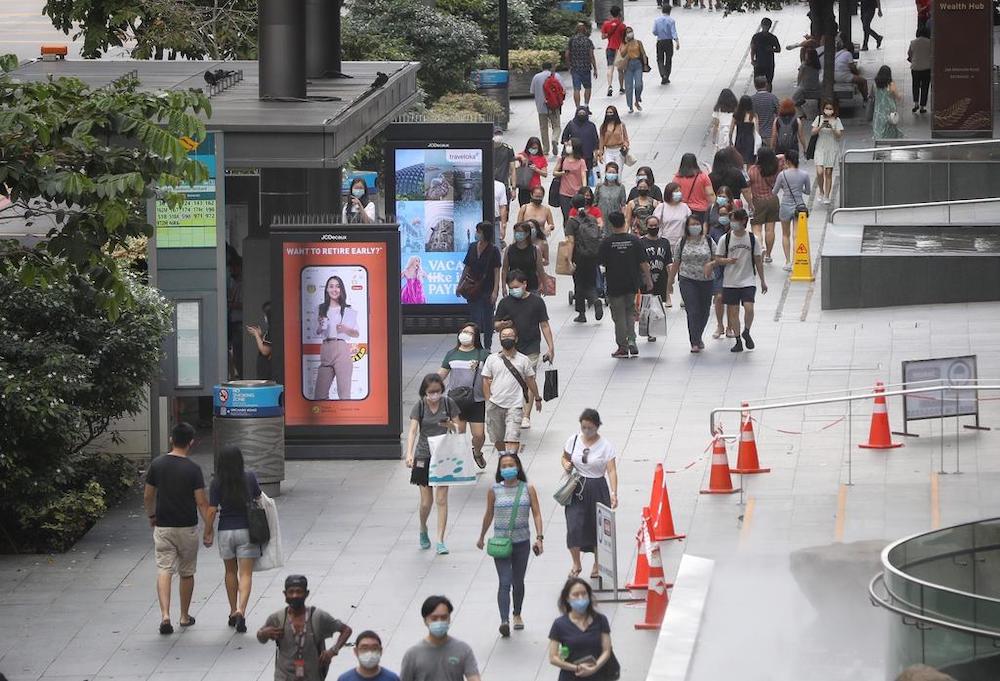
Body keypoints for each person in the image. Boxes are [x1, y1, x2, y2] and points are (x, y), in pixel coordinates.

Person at [143, 422, 210, 635]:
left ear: (171, 439)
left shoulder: (157, 464)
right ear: (191, 442)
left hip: (163, 526)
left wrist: (151, 515)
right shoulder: (193, 469)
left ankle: (165, 615)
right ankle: (183, 615)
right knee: (187, 572)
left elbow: (148, 495)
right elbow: (201, 502)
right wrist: (209, 529)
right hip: (187, 527)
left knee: (164, 569)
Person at [475, 453, 544, 637]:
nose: (507, 468)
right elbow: (488, 514)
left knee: (518, 581)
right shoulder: (494, 490)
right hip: (501, 544)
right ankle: (504, 620)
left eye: (510, 464)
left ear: (518, 466)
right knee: (504, 581)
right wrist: (482, 536)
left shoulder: (528, 489)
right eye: (503, 466)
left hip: (522, 542)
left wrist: (539, 537)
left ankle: (517, 613)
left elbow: (536, 513)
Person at [203, 444, 261, 634]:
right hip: (246, 530)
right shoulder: (250, 477)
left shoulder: (217, 482)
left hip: (226, 531)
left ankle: (231, 610)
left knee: (230, 572)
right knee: (246, 574)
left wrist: (208, 531)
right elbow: (258, 497)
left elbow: (211, 510)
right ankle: (241, 610)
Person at [258, 575, 353, 681]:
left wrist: (332, 651)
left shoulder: (318, 617)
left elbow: (346, 630)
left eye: (299, 591)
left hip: (311, 675)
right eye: (291, 592)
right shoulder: (277, 618)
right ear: (285, 594)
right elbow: (261, 638)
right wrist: (263, 634)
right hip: (284, 676)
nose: (295, 595)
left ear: (306, 594)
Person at [405, 374, 459, 554]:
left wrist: (450, 425)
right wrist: (409, 454)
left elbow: (459, 428)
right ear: (425, 392)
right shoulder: (420, 406)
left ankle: (440, 540)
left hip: (444, 455)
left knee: (442, 499)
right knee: (426, 502)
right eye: (431, 392)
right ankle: (423, 527)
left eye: (437, 391)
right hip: (424, 454)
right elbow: (413, 430)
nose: (434, 395)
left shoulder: (448, 404)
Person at [561, 409, 619, 577]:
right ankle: (576, 563)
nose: (587, 431)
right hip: (577, 486)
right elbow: (565, 457)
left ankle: (597, 563)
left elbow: (612, 470)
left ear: (597, 426)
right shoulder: (573, 440)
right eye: (584, 427)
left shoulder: (606, 446)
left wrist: (614, 492)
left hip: (597, 487)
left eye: (590, 427)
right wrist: (565, 464)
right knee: (573, 525)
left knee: (597, 527)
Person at [493, 270, 553, 428]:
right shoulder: (505, 303)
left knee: (528, 378)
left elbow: (544, 324)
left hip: (531, 345)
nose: (514, 290)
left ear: (525, 284)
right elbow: (496, 324)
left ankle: (526, 415)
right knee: (513, 380)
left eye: (516, 286)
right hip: (511, 347)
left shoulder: (536, 302)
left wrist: (551, 347)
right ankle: (513, 409)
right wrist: (503, 325)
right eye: (510, 287)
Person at [710, 208, 767, 353]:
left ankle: (746, 331)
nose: (732, 223)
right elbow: (717, 259)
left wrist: (762, 280)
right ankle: (737, 340)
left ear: (743, 221)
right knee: (733, 311)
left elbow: (758, 260)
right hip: (730, 281)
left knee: (749, 308)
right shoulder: (726, 239)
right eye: (731, 220)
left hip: (748, 279)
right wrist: (727, 260)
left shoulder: (752, 239)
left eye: (735, 220)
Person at [482, 324, 541, 455]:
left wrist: (537, 398)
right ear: (500, 339)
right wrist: (488, 400)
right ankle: (503, 456)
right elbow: (485, 380)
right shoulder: (492, 359)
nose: (507, 338)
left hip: (515, 405)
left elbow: (530, 380)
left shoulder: (523, 360)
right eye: (504, 336)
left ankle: (511, 459)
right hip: (495, 404)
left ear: (516, 339)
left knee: (512, 436)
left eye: (510, 336)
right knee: (497, 437)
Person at [599, 211, 652, 357]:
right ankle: (632, 341)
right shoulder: (635, 240)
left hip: (615, 283)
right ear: (624, 221)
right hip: (632, 282)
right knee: (630, 311)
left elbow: (602, 263)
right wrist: (648, 280)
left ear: (611, 224)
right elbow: (643, 262)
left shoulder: (607, 242)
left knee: (618, 316)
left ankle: (622, 346)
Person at [439, 322, 491, 469]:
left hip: (476, 400)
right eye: (463, 331)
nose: (465, 335)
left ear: (475, 337)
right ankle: (461, 465)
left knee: (479, 435)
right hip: (456, 401)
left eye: (469, 333)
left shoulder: (483, 354)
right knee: (458, 433)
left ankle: (478, 452)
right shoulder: (452, 354)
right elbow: (441, 374)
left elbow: (492, 372)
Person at [400, 596, 481, 681]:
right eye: (434, 618)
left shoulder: (463, 649)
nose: (439, 621)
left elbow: (473, 677)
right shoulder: (412, 655)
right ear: (425, 621)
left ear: (449, 619)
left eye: (444, 617)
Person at [547, 578, 613, 680]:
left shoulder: (600, 620)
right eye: (576, 595)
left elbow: (606, 650)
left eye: (584, 593)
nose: (580, 597)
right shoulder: (559, 624)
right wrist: (577, 668)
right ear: (567, 599)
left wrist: (594, 668)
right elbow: (553, 657)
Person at [670, 215, 716, 352]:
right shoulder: (682, 242)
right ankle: (694, 341)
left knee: (705, 310)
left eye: (697, 224)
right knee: (693, 310)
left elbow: (717, 258)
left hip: (706, 280)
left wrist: (711, 264)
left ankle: (698, 335)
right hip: (687, 279)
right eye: (692, 224)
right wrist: (670, 281)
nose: (695, 226)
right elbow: (676, 262)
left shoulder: (708, 240)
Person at [314, 275, 360, 400]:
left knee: (344, 394)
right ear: (327, 289)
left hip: (341, 348)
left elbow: (356, 333)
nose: (334, 289)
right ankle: (327, 418)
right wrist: (320, 326)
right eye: (331, 286)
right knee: (319, 395)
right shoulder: (320, 308)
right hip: (326, 348)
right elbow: (317, 332)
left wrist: (345, 329)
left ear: (342, 289)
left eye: (338, 286)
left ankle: (345, 419)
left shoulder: (348, 309)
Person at [460, 222, 502, 349]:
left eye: (479, 231)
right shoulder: (472, 247)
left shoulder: (493, 250)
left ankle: (487, 346)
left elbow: (496, 271)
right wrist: (460, 284)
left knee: (488, 319)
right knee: (475, 319)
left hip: (487, 288)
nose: (476, 234)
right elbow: (467, 267)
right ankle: (476, 345)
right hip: (473, 288)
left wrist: (495, 291)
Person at [564, 194, 605, 323]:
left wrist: (569, 260)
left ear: (573, 206)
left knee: (579, 284)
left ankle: (581, 313)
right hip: (593, 256)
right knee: (591, 282)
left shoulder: (572, 222)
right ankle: (595, 299)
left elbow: (570, 241)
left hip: (579, 256)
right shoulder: (592, 219)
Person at [774, 149, 811, 271]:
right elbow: (808, 191)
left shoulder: (782, 175)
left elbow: (775, 191)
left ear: (787, 161)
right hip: (799, 206)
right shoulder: (804, 174)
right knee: (796, 235)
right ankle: (796, 260)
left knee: (785, 234)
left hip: (785, 205)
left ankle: (788, 261)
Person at [640, 215, 671, 338]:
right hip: (645, 278)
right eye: (651, 226)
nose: (653, 228)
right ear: (646, 226)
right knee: (647, 304)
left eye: (655, 225)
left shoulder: (665, 242)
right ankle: (649, 330)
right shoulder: (641, 242)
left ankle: (654, 329)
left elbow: (668, 261)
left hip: (661, 277)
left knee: (658, 304)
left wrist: (670, 280)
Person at [747, 147, 780, 263]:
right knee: (770, 229)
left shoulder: (752, 170)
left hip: (758, 201)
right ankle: (769, 255)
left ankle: (760, 248)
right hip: (772, 200)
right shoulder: (775, 169)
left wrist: (749, 203)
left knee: (757, 228)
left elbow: (747, 185)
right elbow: (783, 157)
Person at [811, 100, 844, 204]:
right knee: (820, 171)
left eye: (830, 108)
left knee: (828, 172)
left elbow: (839, 135)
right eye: (827, 108)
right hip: (820, 147)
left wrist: (832, 128)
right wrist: (821, 126)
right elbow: (812, 132)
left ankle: (826, 196)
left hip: (832, 148)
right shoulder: (819, 118)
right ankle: (821, 191)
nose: (828, 111)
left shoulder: (837, 120)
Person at [530, 61, 565, 157]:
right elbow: (563, 90)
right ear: (551, 68)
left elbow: (532, 91)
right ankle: (554, 139)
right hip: (554, 106)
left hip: (541, 107)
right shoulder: (556, 76)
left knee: (543, 128)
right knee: (556, 126)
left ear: (542, 67)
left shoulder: (536, 77)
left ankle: (545, 149)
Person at [709, 202, 732, 340]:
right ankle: (719, 325)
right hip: (718, 267)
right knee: (718, 297)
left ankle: (730, 325)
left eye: (726, 214)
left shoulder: (736, 230)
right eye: (721, 214)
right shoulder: (714, 230)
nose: (723, 217)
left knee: (731, 299)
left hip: (733, 267)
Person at [561, 106, 600, 184]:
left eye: (583, 113)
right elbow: (564, 137)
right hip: (574, 154)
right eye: (580, 113)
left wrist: (596, 156)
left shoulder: (591, 126)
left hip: (587, 155)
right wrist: (568, 146)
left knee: (586, 174)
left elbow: (595, 141)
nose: (581, 115)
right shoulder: (571, 124)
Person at [553, 138, 589, 223]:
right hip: (564, 193)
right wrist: (562, 173)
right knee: (567, 216)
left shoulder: (581, 161)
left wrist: (584, 190)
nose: (567, 146)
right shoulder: (562, 159)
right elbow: (554, 172)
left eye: (570, 145)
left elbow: (583, 175)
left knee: (578, 216)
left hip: (577, 193)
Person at [673, 153, 715, 223]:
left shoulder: (677, 177)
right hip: (701, 210)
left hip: (683, 210)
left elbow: (673, 193)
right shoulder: (703, 176)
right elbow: (710, 194)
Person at [566, 23, 598, 108]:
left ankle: (578, 107)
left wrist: (569, 66)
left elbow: (567, 54)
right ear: (584, 30)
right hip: (586, 68)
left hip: (575, 68)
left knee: (576, 89)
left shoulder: (571, 40)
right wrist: (595, 68)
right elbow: (591, 55)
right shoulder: (587, 41)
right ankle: (586, 106)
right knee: (588, 87)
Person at [618, 27, 647, 114]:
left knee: (639, 84)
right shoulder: (625, 44)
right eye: (628, 32)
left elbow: (643, 53)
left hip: (638, 64)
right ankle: (630, 105)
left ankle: (637, 100)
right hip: (628, 65)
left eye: (631, 31)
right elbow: (622, 54)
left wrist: (645, 64)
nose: (630, 33)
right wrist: (627, 44)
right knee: (629, 86)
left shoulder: (638, 42)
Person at [515, 137, 549, 208]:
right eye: (532, 147)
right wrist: (521, 157)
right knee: (524, 207)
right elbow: (512, 157)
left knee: (535, 207)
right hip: (524, 186)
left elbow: (545, 174)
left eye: (536, 148)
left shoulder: (541, 158)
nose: (534, 150)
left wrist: (536, 169)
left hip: (535, 187)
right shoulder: (524, 155)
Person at [600, 6, 627, 97]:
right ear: (619, 13)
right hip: (619, 49)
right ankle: (621, 87)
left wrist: (609, 34)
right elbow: (625, 39)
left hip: (610, 48)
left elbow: (603, 37)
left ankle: (610, 86)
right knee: (620, 69)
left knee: (610, 67)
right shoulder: (622, 25)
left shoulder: (606, 24)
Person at [872, 65, 903, 140]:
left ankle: (879, 141)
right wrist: (901, 94)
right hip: (889, 110)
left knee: (879, 127)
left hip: (878, 110)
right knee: (890, 127)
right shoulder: (890, 84)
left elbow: (873, 95)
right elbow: (898, 96)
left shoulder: (875, 84)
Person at [594, 161, 626, 231]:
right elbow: (594, 203)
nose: (611, 174)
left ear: (617, 174)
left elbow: (623, 204)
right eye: (609, 172)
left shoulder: (621, 187)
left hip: (615, 218)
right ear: (605, 173)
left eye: (613, 172)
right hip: (601, 217)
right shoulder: (600, 186)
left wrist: (624, 219)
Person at [652, 4, 680, 85]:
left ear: (662, 10)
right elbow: (673, 32)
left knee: (660, 58)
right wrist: (677, 41)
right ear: (670, 11)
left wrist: (659, 33)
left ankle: (662, 73)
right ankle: (667, 76)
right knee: (668, 59)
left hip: (660, 41)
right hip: (668, 42)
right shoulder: (671, 20)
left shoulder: (657, 20)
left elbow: (654, 31)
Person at [750, 17, 780, 89]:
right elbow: (753, 48)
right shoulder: (756, 37)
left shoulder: (772, 37)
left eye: (767, 26)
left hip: (769, 63)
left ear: (769, 27)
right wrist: (752, 60)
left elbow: (778, 49)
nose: (765, 27)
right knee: (758, 82)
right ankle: (761, 94)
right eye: (764, 25)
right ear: (761, 25)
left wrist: (771, 49)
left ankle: (768, 94)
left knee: (768, 81)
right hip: (759, 63)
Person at [597, 105, 629, 172]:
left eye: (611, 112)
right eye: (608, 113)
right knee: (609, 169)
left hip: (619, 151)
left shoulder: (621, 125)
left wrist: (625, 146)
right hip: (609, 151)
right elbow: (601, 141)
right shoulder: (603, 126)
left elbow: (626, 138)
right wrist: (600, 153)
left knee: (619, 171)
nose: (609, 114)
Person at [246, 300, 272, 380]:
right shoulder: (270, 329)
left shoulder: (273, 330)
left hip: (268, 370)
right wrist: (259, 335)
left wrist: (256, 335)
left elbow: (265, 351)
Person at [793, 47, 822, 119]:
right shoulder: (817, 65)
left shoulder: (804, 65)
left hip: (805, 88)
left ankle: (801, 114)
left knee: (794, 99)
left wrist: (798, 85)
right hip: (816, 88)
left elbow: (799, 77)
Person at [908, 26, 931, 114]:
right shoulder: (930, 42)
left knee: (915, 85)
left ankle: (916, 104)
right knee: (925, 87)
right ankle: (922, 107)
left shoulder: (913, 42)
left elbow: (909, 54)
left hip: (915, 68)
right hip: (926, 68)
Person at [730, 95, 759, 167]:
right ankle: (749, 177)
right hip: (750, 140)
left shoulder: (737, 115)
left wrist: (730, 140)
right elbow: (757, 131)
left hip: (739, 139)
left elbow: (731, 130)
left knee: (739, 161)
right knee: (749, 161)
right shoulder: (753, 115)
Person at [750, 76, 779, 149]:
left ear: (755, 85)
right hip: (771, 134)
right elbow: (779, 114)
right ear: (766, 84)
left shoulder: (751, 100)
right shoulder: (772, 98)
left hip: (756, 134)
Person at [492, 125, 516, 205]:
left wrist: (513, 189)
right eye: (495, 134)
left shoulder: (508, 149)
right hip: (490, 185)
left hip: (504, 184)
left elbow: (513, 170)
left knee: (505, 211)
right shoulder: (487, 148)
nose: (498, 136)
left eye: (499, 134)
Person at [493, 178, 509, 246]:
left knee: (497, 246)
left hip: (495, 221)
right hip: (479, 219)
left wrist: (503, 226)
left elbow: (502, 207)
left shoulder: (500, 185)